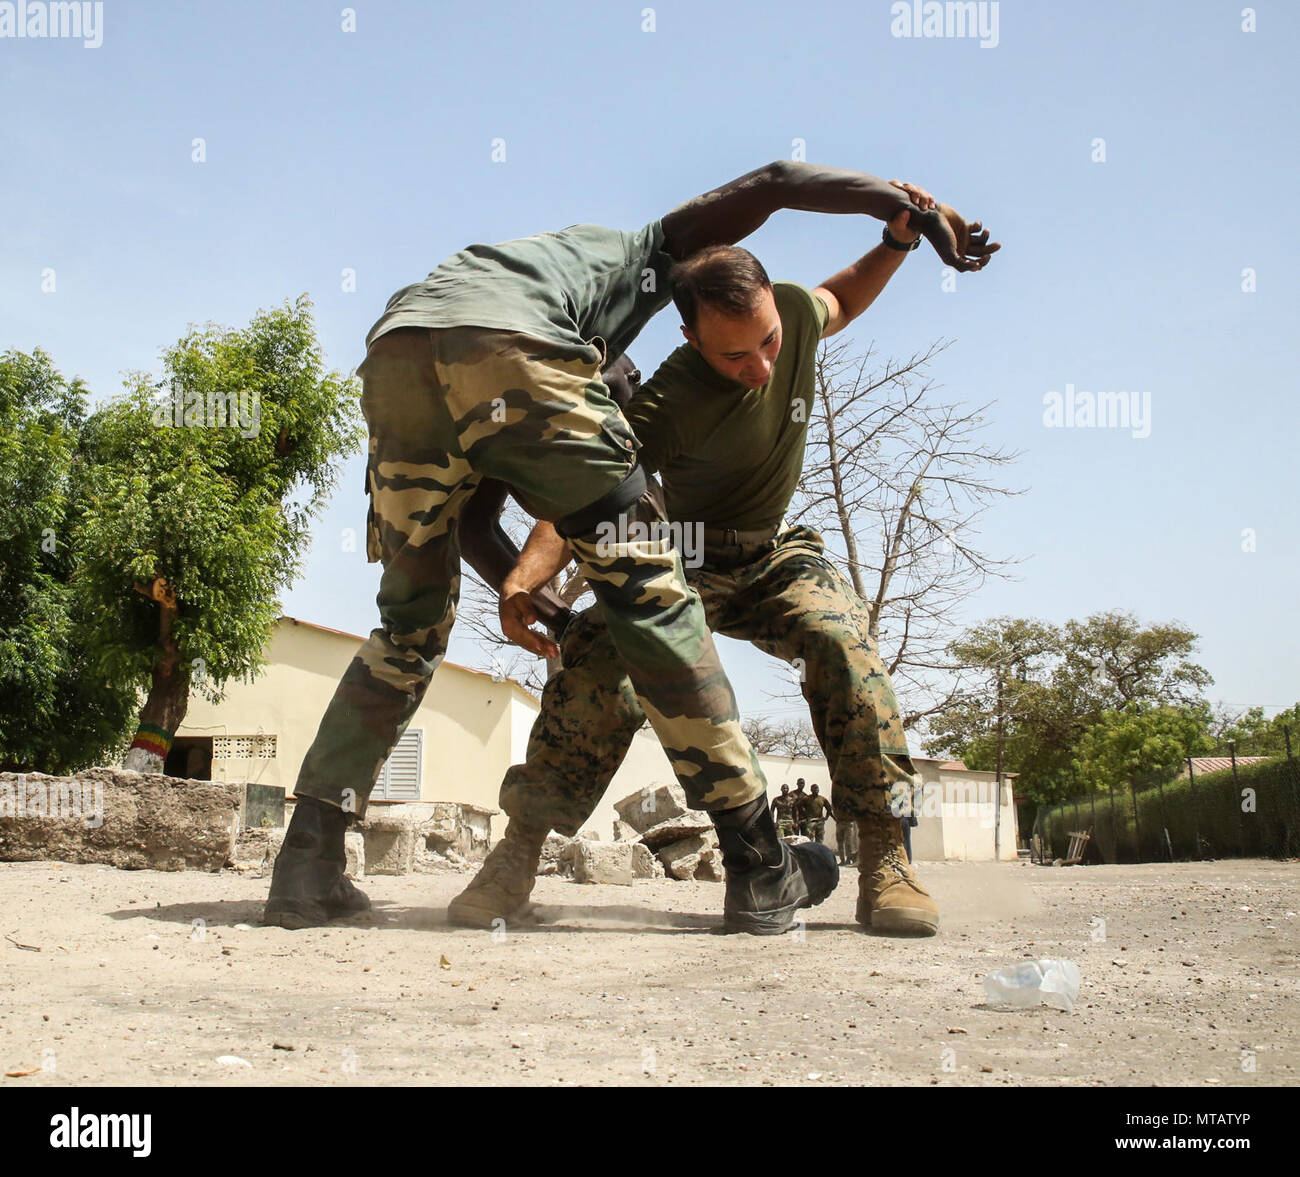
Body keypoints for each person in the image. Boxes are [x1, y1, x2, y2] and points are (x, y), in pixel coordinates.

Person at [266, 160, 997, 934]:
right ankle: (695, 863)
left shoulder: (762, 312)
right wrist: (527, 578)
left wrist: (901, 234)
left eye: (769, 345)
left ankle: (306, 863)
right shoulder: (647, 348)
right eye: (734, 356)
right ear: (678, 338)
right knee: (622, 633)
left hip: (402, 358)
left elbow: (837, 295)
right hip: (684, 547)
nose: (760, 368)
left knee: (844, 643)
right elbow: (577, 504)